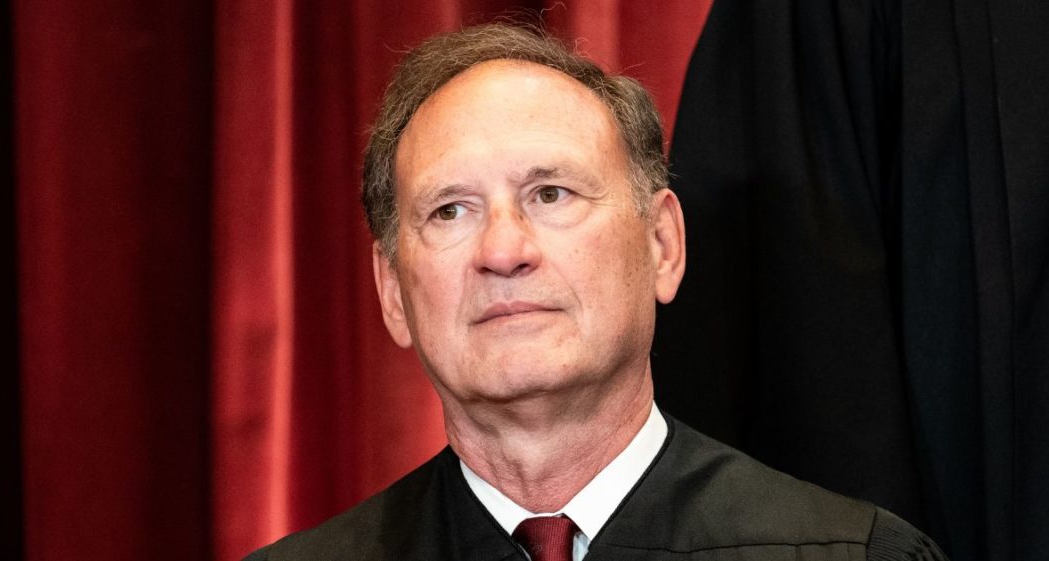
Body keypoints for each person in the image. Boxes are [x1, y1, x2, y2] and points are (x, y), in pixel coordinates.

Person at [245, 23, 948, 561]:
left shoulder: (849, 554)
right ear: (393, 290)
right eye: (449, 210)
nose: (503, 250)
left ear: (662, 245)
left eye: (551, 193)